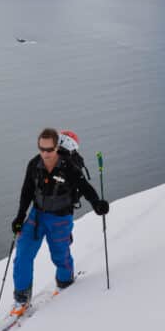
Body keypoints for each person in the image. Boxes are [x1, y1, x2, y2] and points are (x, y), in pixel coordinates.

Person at [10, 128, 109, 314]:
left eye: (50, 150)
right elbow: (27, 192)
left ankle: (64, 283)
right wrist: (20, 217)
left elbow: (85, 188)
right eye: (42, 149)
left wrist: (97, 204)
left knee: (59, 255)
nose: (45, 153)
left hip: (60, 218)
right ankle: (21, 299)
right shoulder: (34, 164)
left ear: (56, 147)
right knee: (23, 253)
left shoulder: (70, 168)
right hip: (36, 216)